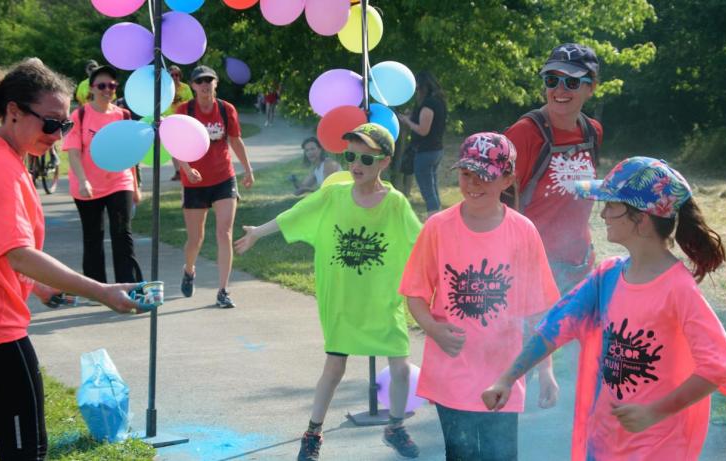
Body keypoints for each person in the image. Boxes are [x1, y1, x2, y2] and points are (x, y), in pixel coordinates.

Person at [0, 58, 149, 460]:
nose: (57, 135)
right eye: (50, 123)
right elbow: (18, 252)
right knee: (26, 451)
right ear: (13, 112)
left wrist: (38, 285)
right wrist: (102, 291)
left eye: (63, 126)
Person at [482, 157, 726, 461]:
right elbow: (556, 325)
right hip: (605, 441)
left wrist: (654, 413)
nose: (602, 213)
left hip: (658, 447)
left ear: (641, 219)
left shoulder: (678, 290)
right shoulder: (607, 276)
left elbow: (721, 367)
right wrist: (507, 378)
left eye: (611, 205)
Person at [235, 123, 422, 460]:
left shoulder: (395, 203)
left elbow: (422, 243)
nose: (356, 165)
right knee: (334, 369)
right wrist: (258, 233)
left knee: (401, 368)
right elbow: (296, 213)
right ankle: (312, 433)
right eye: (350, 156)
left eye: (366, 158)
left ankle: (395, 426)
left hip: (383, 301)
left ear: (384, 162)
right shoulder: (334, 195)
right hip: (343, 303)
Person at [399, 132, 560, 461]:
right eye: (466, 174)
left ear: (507, 178)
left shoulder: (523, 231)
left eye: (485, 175)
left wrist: (546, 371)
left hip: (503, 373)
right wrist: (432, 327)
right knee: (461, 455)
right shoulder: (438, 227)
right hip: (452, 373)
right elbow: (414, 293)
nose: (473, 184)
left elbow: (538, 311)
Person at [504, 43, 603, 295]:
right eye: (551, 80)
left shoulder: (592, 132)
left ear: (591, 87)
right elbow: (499, 204)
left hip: (580, 266)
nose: (559, 90)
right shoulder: (524, 134)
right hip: (532, 269)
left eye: (571, 82)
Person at [174, 65, 254, 308]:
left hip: (223, 179)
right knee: (195, 239)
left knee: (224, 233)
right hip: (194, 182)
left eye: (209, 80)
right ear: (193, 86)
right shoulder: (184, 111)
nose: (205, 85)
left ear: (216, 83)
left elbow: (235, 140)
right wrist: (187, 170)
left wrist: (248, 169)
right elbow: (175, 146)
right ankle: (189, 270)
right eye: (200, 81)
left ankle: (223, 290)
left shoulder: (225, 109)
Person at [63, 65, 142, 284]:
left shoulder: (123, 115)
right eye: (102, 85)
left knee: (122, 233)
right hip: (87, 184)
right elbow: (73, 152)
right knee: (93, 236)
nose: (107, 89)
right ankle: (96, 288)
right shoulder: (78, 115)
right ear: (92, 88)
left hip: (119, 181)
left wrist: (135, 187)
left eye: (112, 85)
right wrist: (83, 180)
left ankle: (128, 285)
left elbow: (130, 153)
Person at [397, 71, 447, 217]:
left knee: (427, 191)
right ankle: (439, 220)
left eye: (417, 88)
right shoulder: (439, 102)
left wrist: (407, 121)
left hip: (425, 152)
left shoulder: (428, 105)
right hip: (436, 150)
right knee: (433, 189)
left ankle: (434, 222)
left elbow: (423, 130)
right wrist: (412, 116)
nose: (416, 91)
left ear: (422, 87)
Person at [166, 64, 194, 181]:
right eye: (172, 75)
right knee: (173, 148)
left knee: (185, 147)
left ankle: (188, 169)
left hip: (183, 121)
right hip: (169, 120)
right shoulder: (164, 88)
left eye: (177, 75)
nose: (175, 77)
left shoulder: (185, 88)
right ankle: (178, 171)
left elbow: (191, 102)